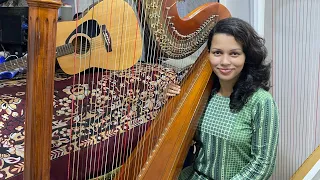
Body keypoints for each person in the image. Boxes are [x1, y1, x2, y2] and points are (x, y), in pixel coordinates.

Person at [166, 17, 279, 180]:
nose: (224, 62)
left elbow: (262, 164)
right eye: (217, 52)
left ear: (247, 56)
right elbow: (181, 140)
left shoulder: (261, 101)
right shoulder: (204, 94)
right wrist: (171, 103)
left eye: (234, 53)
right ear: (209, 54)